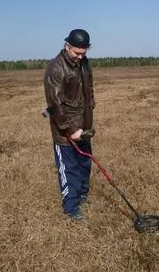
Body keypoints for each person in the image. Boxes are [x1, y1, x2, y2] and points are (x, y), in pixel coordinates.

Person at [43, 29, 95, 221]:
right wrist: (71, 130)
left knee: (84, 164)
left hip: (84, 125)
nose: (80, 57)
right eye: (76, 53)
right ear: (67, 46)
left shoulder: (84, 63)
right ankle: (71, 208)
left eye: (84, 52)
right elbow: (55, 106)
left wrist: (88, 119)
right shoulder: (56, 68)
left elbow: (88, 90)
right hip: (65, 131)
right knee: (69, 168)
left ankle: (82, 196)